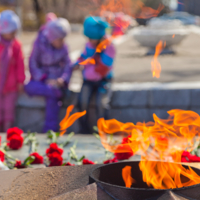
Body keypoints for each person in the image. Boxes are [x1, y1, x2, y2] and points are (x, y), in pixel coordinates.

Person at [25, 18, 72, 132]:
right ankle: (51, 129)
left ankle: (50, 130)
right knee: (33, 88)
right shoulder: (39, 43)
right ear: (52, 37)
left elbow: (68, 65)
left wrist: (62, 79)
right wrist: (44, 78)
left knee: (53, 97)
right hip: (40, 80)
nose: (62, 42)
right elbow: (32, 63)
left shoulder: (63, 47)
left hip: (56, 82)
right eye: (59, 39)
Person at [74, 16, 116, 134]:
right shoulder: (89, 45)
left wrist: (87, 71)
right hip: (88, 80)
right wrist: (78, 63)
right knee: (82, 101)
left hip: (104, 80)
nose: (89, 40)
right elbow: (83, 56)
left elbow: (103, 68)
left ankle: (103, 130)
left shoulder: (109, 47)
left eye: (91, 38)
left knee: (101, 103)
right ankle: (84, 128)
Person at [0, 10, 25, 132]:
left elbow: (20, 64)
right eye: (11, 32)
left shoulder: (16, 45)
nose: (13, 34)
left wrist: (21, 81)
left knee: (9, 110)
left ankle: (6, 132)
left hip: (11, 86)